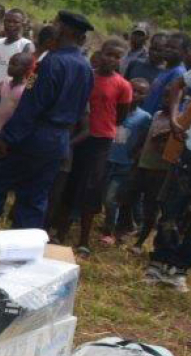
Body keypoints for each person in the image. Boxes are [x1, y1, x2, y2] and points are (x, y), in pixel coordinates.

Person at [0, 11, 95, 231]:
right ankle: (22, 243)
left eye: (57, 25)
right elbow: (81, 108)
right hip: (58, 138)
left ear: (67, 31)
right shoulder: (86, 67)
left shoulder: (51, 62)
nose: (53, 28)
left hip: (33, 134)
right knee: (36, 194)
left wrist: (7, 137)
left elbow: (32, 103)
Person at [48, 40, 133, 254]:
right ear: (100, 54)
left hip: (100, 140)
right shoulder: (86, 75)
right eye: (108, 54)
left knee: (91, 188)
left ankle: (84, 239)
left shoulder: (123, 85)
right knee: (70, 182)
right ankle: (60, 231)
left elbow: (121, 115)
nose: (111, 59)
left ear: (121, 60)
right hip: (77, 137)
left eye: (117, 56)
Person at [143, 60, 191, 291]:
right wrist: (175, 118)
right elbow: (178, 84)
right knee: (173, 208)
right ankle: (158, 264)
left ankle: (179, 269)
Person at [100, 78, 152, 246]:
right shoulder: (114, 108)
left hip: (124, 164)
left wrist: (135, 157)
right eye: (133, 90)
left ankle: (110, 231)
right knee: (101, 194)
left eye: (140, 92)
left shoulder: (145, 118)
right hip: (106, 159)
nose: (135, 94)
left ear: (146, 96)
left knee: (111, 198)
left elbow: (144, 141)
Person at [0, 8, 32, 93]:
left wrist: (27, 93)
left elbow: (31, 73)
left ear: (22, 24)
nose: (11, 24)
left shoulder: (26, 45)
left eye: (15, 22)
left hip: (9, 94)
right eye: (8, 21)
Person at [0, 52, 33, 137]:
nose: (10, 66)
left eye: (14, 64)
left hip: (12, 134)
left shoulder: (27, 89)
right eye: (10, 63)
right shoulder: (4, 82)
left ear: (26, 69)